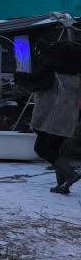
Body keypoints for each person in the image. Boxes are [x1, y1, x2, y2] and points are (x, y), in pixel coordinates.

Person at [16, 41, 81, 193]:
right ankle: (62, 185)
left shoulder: (51, 72)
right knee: (55, 150)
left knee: (42, 148)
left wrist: (19, 77)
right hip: (68, 118)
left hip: (50, 118)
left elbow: (35, 84)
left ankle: (70, 174)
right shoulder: (76, 75)